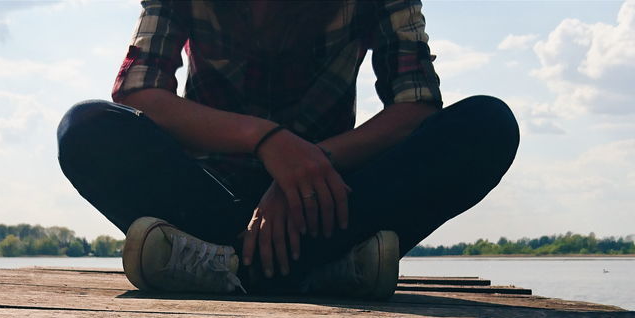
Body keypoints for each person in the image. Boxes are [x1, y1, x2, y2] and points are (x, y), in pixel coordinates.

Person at [57, 0, 519, 300]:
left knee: (487, 124)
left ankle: (221, 265)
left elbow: (416, 105)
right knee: (84, 129)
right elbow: (139, 92)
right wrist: (267, 141)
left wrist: (308, 167)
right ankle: (327, 268)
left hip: (329, 197)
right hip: (212, 195)